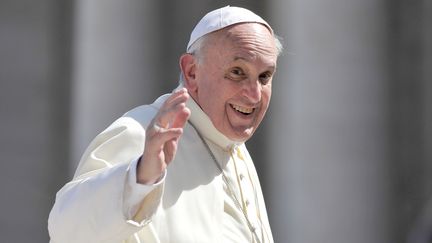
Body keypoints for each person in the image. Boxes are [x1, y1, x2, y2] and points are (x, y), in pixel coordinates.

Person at [48, 5, 282, 243]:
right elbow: (66, 229)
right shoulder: (140, 133)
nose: (254, 95)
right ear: (192, 72)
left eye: (264, 77)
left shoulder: (234, 148)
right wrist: (140, 177)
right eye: (237, 72)